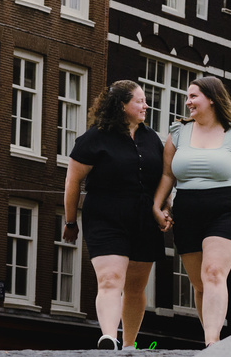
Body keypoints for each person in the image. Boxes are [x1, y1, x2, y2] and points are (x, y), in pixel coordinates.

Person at [152, 77, 231, 346]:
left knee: (214, 272)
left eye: (193, 96)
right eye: (188, 96)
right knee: (200, 285)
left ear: (212, 99)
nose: (188, 102)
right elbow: (167, 174)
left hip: (225, 210)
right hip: (187, 212)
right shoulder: (178, 133)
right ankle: (212, 340)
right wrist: (157, 204)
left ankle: (212, 343)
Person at [63, 80, 165, 350]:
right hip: (106, 217)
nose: (146, 105)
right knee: (110, 279)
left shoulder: (152, 138)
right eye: (140, 101)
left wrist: (164, 208)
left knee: (134, 288)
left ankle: (129, 345)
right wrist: (70, 221)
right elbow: (72, 182)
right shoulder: (94, 138)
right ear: (122, 106)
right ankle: (108, 337)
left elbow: (164, 180)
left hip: (144, 221)